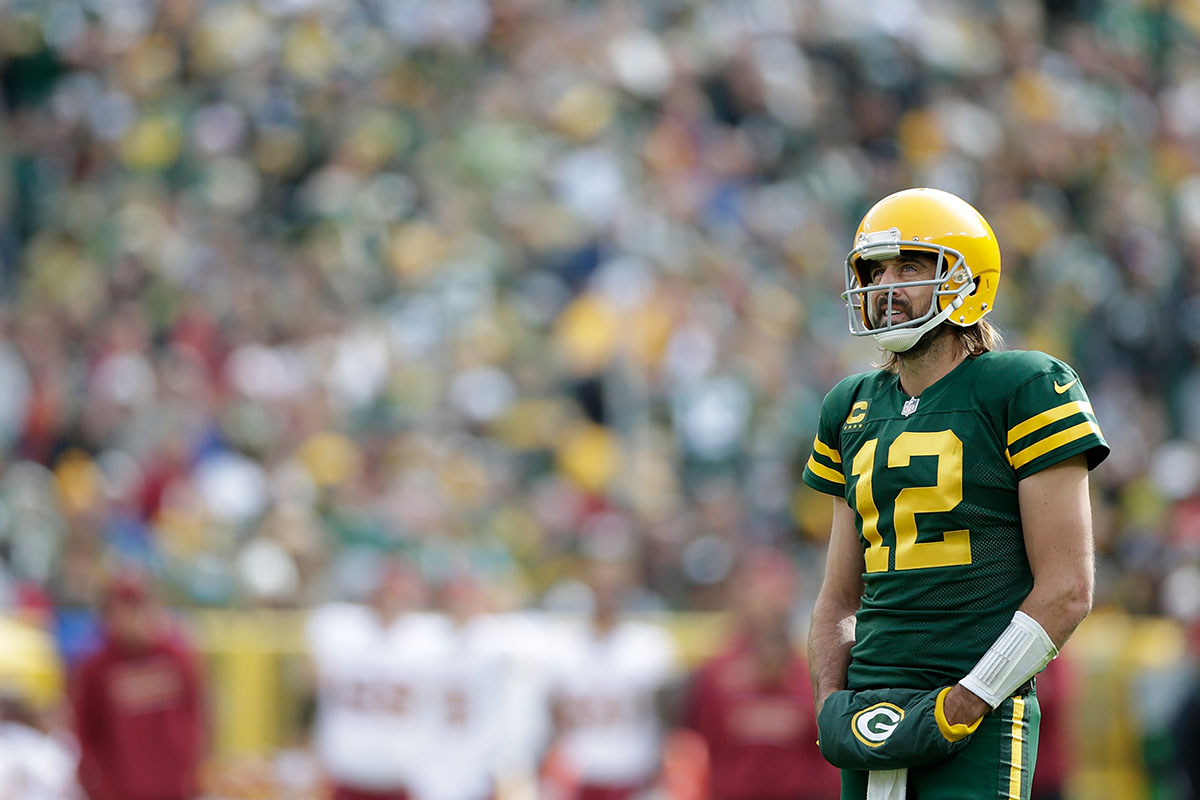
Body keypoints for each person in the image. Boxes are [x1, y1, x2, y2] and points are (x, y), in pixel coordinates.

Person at [802, 188, 1109, 800]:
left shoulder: (1024, 384)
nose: (886, 286)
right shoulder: (849, 405)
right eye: (875, 270)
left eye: (910, 266)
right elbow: (838, 598)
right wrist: (830, 704)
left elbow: (1069, 587)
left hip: (975, 709)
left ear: (968, 279)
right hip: (869, 707)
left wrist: (970, 700)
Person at [683, 548, 839, 800]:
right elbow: (699, 747)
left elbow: (827, 757)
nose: (767, 604)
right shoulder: (716, 674)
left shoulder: (812, 673)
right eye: (759, 594)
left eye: (776, 596)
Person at [542, 548, 679, 800]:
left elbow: (666, 716)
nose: (606, 589)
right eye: (600, 579)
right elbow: (552, 712)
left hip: (633, 770)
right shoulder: (562, 643)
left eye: (614, 581)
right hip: (576, 771)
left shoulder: (649, 644)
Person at [304, 555, 438, 800]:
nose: (391, 602)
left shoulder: (429, 638)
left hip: (404, 774)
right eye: (385, 594)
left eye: (399, 595)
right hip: (347, 769)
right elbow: (312, 681)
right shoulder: (339, 628)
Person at [69, 569, 208, 800]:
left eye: (140, 606)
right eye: (125, 607)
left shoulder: (176, 656)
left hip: (172, 787)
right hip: (119, 790)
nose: (134, 617)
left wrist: (191, 769)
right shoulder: (95, 665)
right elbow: (85, 728)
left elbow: (195, 714)